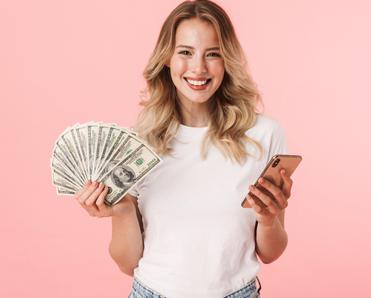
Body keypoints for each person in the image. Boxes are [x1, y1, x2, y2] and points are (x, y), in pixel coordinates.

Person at [73, 1, 295, 297]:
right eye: (185, 52)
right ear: (167, 58)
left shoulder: (263, 134)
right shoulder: (141, 142)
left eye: (213, 54)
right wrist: (123, 209)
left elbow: (270, 252)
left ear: (227, 60)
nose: (198, 68)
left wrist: (268, 220)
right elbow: (128, 263)